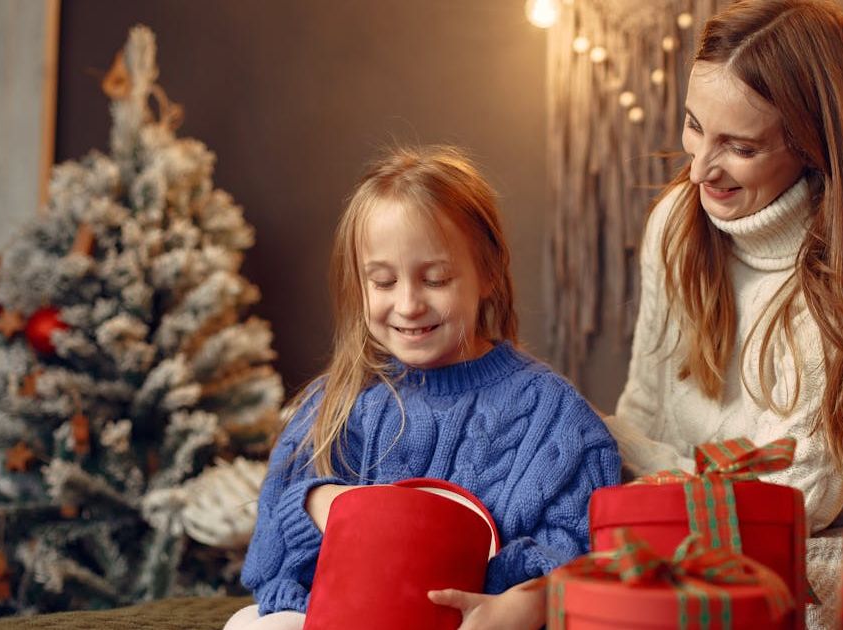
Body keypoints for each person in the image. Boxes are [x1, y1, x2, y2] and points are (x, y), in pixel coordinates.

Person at [603, 1, 843, 628]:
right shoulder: (676, 224)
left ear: (812, 147)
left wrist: (614, 445)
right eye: (695, 125)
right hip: (672, 559)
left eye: (741, 146)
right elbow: (645, 407)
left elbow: (777, 513)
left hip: (801, 589)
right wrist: (625, 461)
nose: (699, 169)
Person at [224, 146, 621, 630]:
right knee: (253, 623)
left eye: (435, 279)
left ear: (488, 273)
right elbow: (267, 565)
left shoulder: (554, 418)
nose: (408, 304)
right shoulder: (339, 401)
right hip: (335, 619)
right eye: (383, 282)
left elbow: (586, 560)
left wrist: (523, 602)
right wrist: (316, 505)